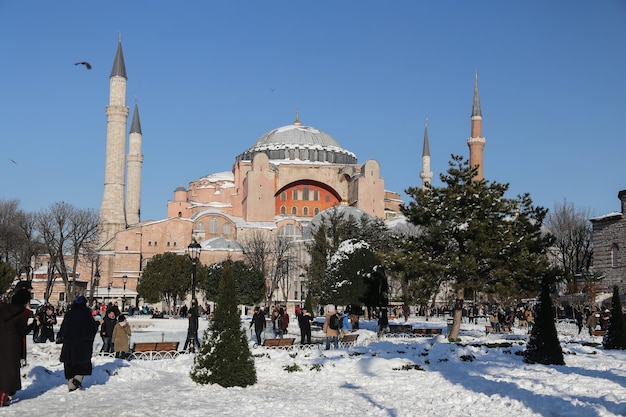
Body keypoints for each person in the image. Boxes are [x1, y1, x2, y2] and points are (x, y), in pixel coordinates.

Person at [58, 295, 99, 392]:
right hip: (83, 344)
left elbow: (63, 328)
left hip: (70, 343)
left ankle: (71, 383)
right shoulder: (86, 314)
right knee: (83, 364)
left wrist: (61, 336)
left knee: (69, 364)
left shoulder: (69, 314)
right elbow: (92, 328)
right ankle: (78, 379)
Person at [0, 289, 31, 406]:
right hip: (12, 344)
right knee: (10, 370)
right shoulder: (23, 312)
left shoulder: (3, 308)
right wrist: (34, 325)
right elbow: (22, 330)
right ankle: (3, 397)